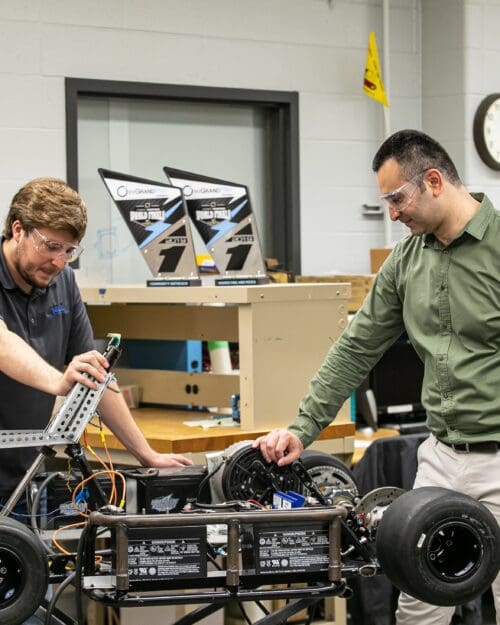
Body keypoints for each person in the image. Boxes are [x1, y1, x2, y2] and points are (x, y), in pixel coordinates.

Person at [253, 129, 500, 624]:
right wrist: (303, 428)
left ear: (433, 181)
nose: (392, 213)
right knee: (417, 606)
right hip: (442, 459)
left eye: (396, 199)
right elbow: (355, 347)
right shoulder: (405, 261)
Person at [0, 176, 192, 509]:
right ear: (18, 229)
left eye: (69, 251)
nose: (59, 262)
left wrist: (145, 453)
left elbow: (97, 376)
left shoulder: (63, 282)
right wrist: (59, 382)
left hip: (27, 476)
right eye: (50, 246)